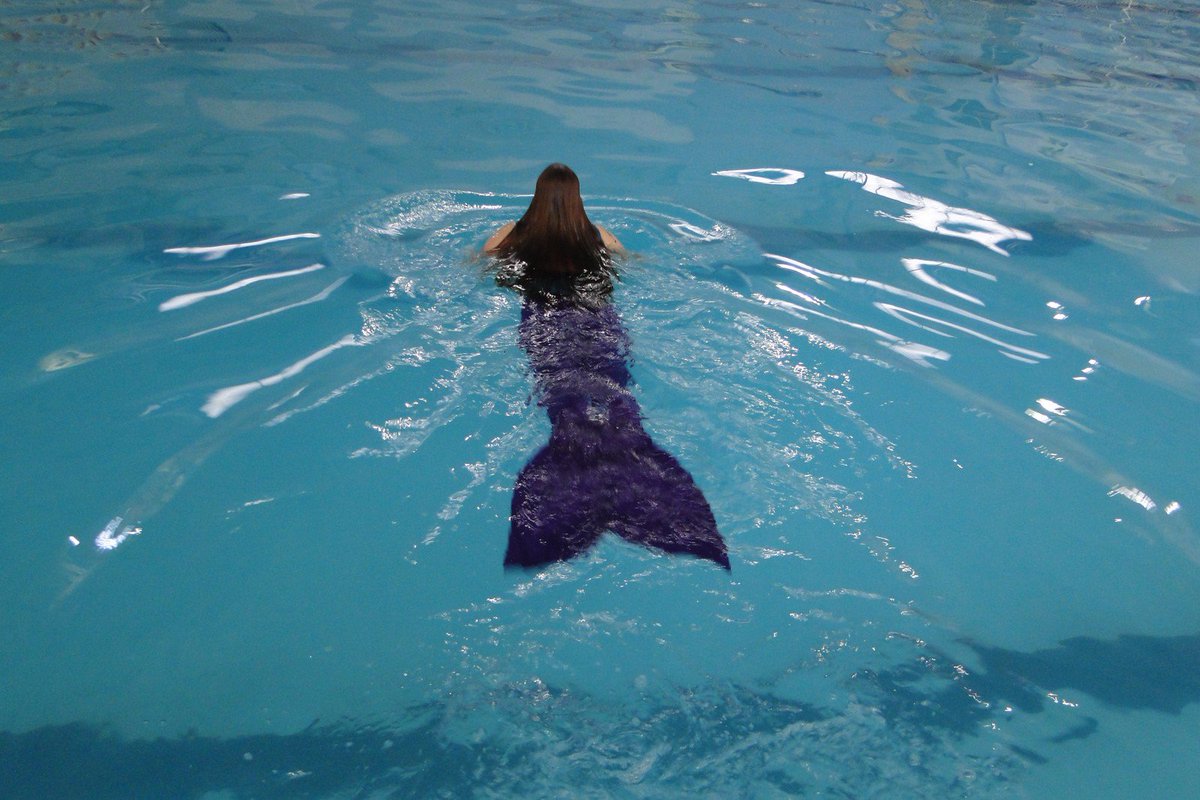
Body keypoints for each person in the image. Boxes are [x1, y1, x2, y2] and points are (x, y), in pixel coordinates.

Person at [484, 163, 729, 570]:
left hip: (545, 328)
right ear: (577, 201)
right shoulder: (599, 237)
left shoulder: (509, 237)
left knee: (567, 401)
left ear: (536, 199)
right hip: (599, 326)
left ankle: (573, 500)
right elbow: (640, 268)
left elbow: (475, 270)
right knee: (612, 396)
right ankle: (635, 485)